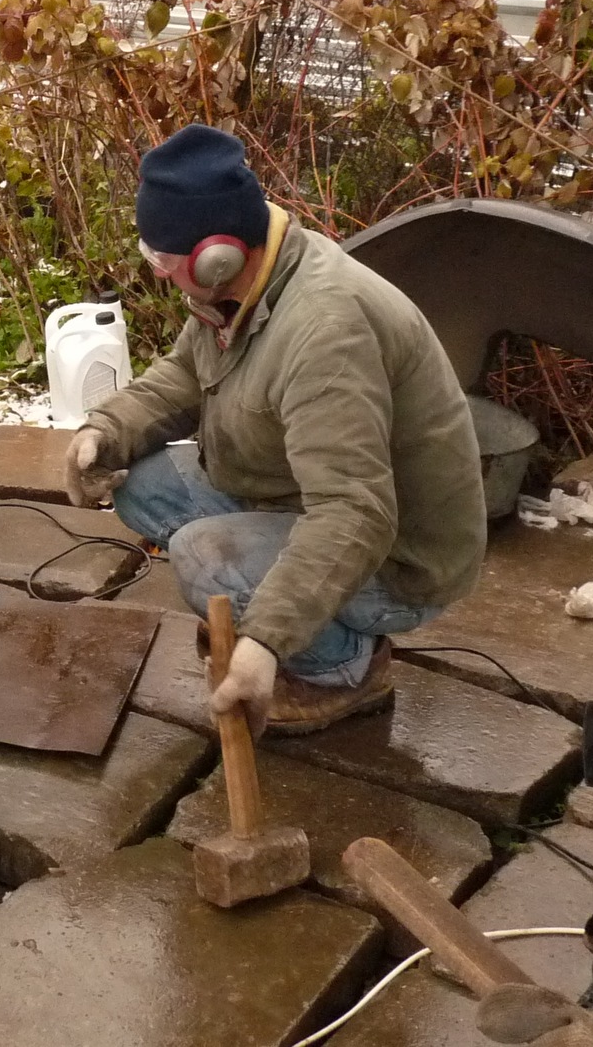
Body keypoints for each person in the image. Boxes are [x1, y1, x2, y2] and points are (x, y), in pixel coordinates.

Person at [66, 124, 486, 737]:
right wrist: (106, 430)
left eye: (162, 260)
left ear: (217, 254)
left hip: (401, 556)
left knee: (201, 557)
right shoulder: (244, 284)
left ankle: (341, 667)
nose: (156, 273)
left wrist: (264, 642)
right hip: (301, 495)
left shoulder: (324, 331)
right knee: (142, 482)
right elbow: (186, 373)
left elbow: (355, 514)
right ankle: (269, 595)